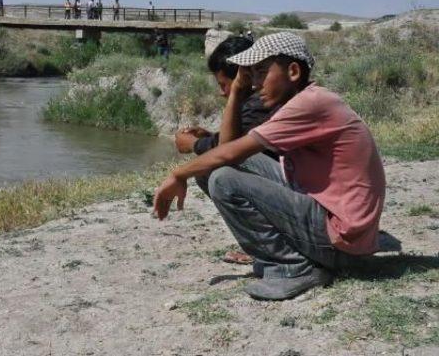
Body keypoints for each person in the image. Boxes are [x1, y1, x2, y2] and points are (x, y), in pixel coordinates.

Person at [153, 32, 386, 301]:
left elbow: (229, 152)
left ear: (294, 71)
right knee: (211, 171)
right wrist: (238, 90)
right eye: (250, 75)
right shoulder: (304, 98)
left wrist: (177, 173)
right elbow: (228, 150)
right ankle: (291, 257)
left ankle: (295, 267)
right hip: (333, 223)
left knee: (223, 180)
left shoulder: (309, 104)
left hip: (342, 242)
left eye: (261, 72)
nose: (255, 82)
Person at [174, 36, 279, 265]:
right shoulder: (258, 102)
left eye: (224, 85)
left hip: (298, 194)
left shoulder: (259, 102)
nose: (222, 92)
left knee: (210, 170)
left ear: (244, 76)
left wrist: (193, 145)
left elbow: (228, 151)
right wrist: (210, 137)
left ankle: (268, 249)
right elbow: (242, 140)